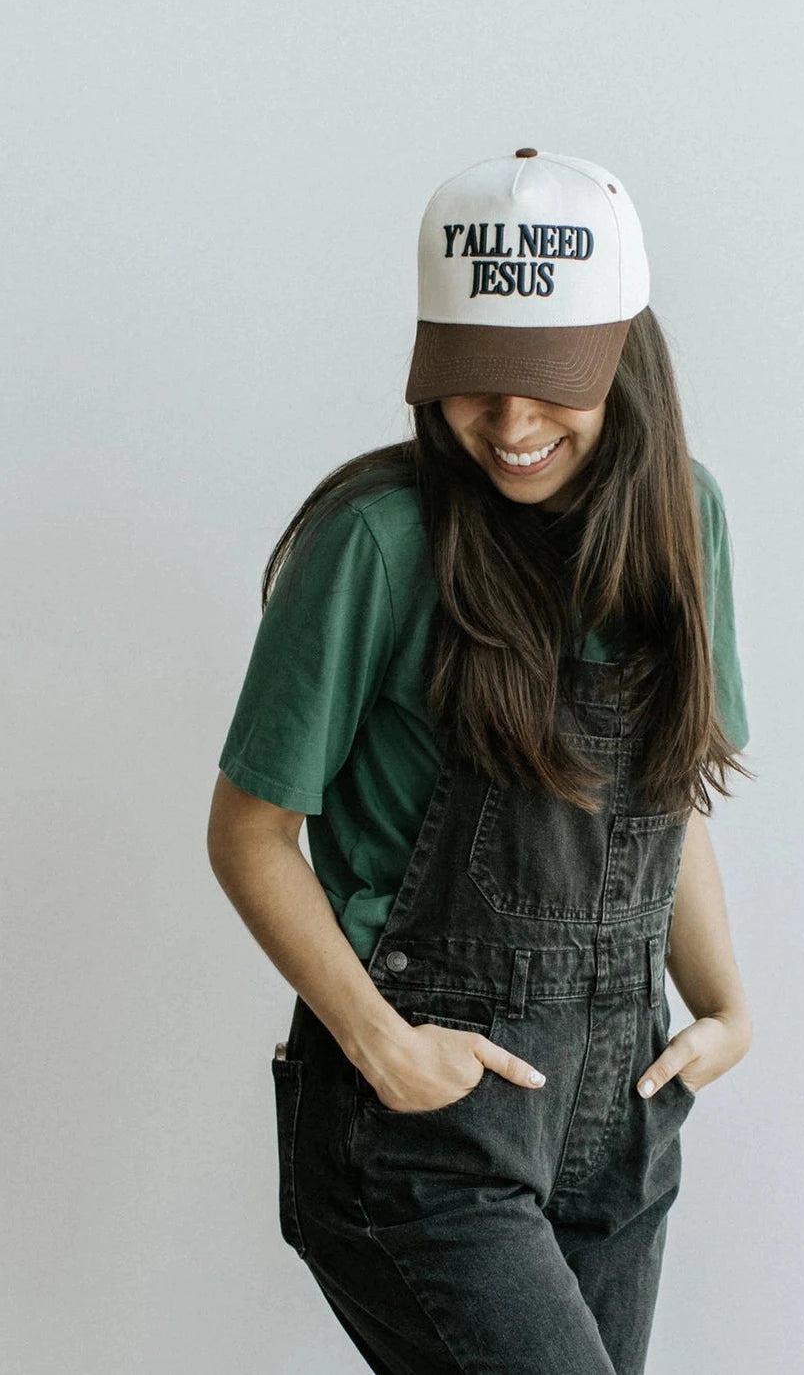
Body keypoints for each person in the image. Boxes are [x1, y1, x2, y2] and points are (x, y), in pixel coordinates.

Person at [207, 146, 755, 1375]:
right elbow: (248, 832)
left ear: (626, 356)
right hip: (428, 1125)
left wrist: (725, 1006)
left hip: (619, 1107)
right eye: (471, 382)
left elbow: (664, 798)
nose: (508, 424)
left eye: (549, 382)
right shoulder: (377, 542)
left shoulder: (685, 522)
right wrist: (380, 1044)